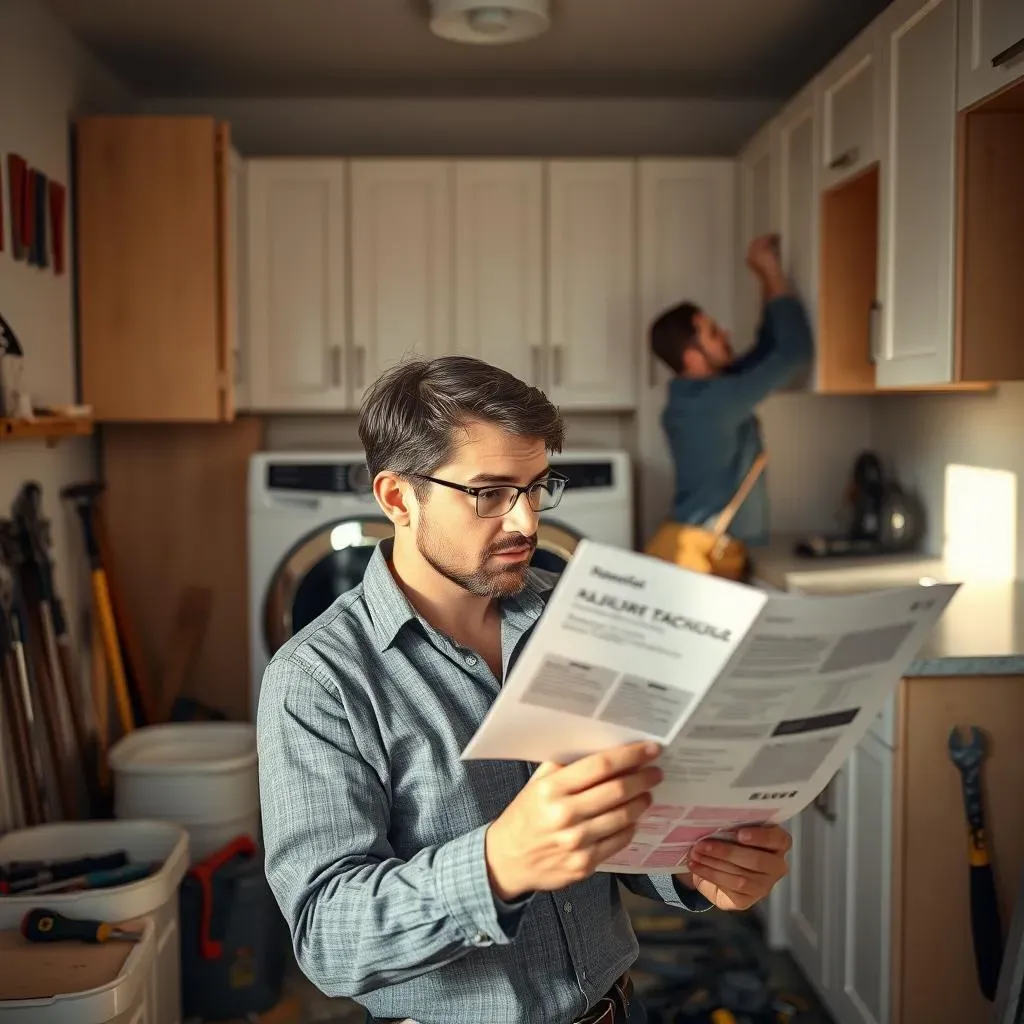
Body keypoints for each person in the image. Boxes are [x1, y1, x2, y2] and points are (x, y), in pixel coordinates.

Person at [256, 355, 791, 1024]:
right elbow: (326, 937)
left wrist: (694, 869)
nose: (525, 523)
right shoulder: (317, 682)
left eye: (538, 487)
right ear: (397, 498)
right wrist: (497, 863)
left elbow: (615, 833)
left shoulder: (576, 622)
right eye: (490, 493)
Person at [648, 234, 814, 549]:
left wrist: (764, 275)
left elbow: (766, 351)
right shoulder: (713, 402)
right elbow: (793, 353)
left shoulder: (696, 397)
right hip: (718, 548)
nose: (725, 333)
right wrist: (773, 272)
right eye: (713, 333)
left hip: (706, 541)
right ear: (693, 358)